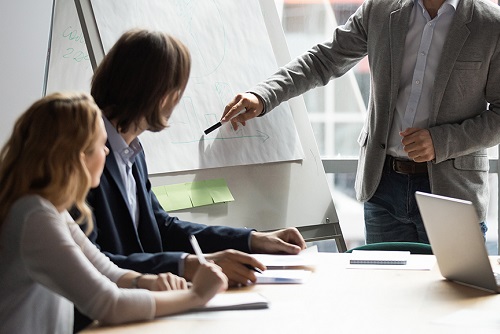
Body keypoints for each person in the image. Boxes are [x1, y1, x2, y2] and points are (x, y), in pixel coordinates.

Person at [222, 0, 500, 244]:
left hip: (452, 192)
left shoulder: (491, 24)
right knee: (384, 294)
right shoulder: (380, 9)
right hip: (383, 187)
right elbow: (323, 59)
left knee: (451, 299)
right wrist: (264, 94)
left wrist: (441, 142)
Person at [80, 29, 306, 287]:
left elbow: (161, 227)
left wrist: (253, 240)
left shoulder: (131, 151)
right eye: (177, 89)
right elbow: (90, 262)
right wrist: (189, 265)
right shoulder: (84, 155)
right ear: (158, 92)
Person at [0, 92, 228, 334]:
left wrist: (146, 281)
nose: (107, 153)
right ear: (79, 158)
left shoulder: (44, 207)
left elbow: (105, 269)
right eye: (101, 145)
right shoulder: (35, 217)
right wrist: (197, 295)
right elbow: (109, 304)